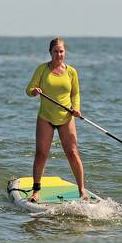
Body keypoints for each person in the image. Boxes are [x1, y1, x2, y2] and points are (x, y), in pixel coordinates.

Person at [26, 38, 88, 202]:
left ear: (64, 52)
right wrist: (35, 91)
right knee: (41, 154)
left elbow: (75, 93)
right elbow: (29, 89)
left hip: (66, 117)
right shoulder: (42, 69)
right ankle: (36, 190)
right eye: (55, 51)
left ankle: (82, 190)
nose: (59, 54)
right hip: (46, 117)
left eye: (61, 51)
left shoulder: (71, 72)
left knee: (73, 153)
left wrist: (76, 108)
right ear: (50, 52)